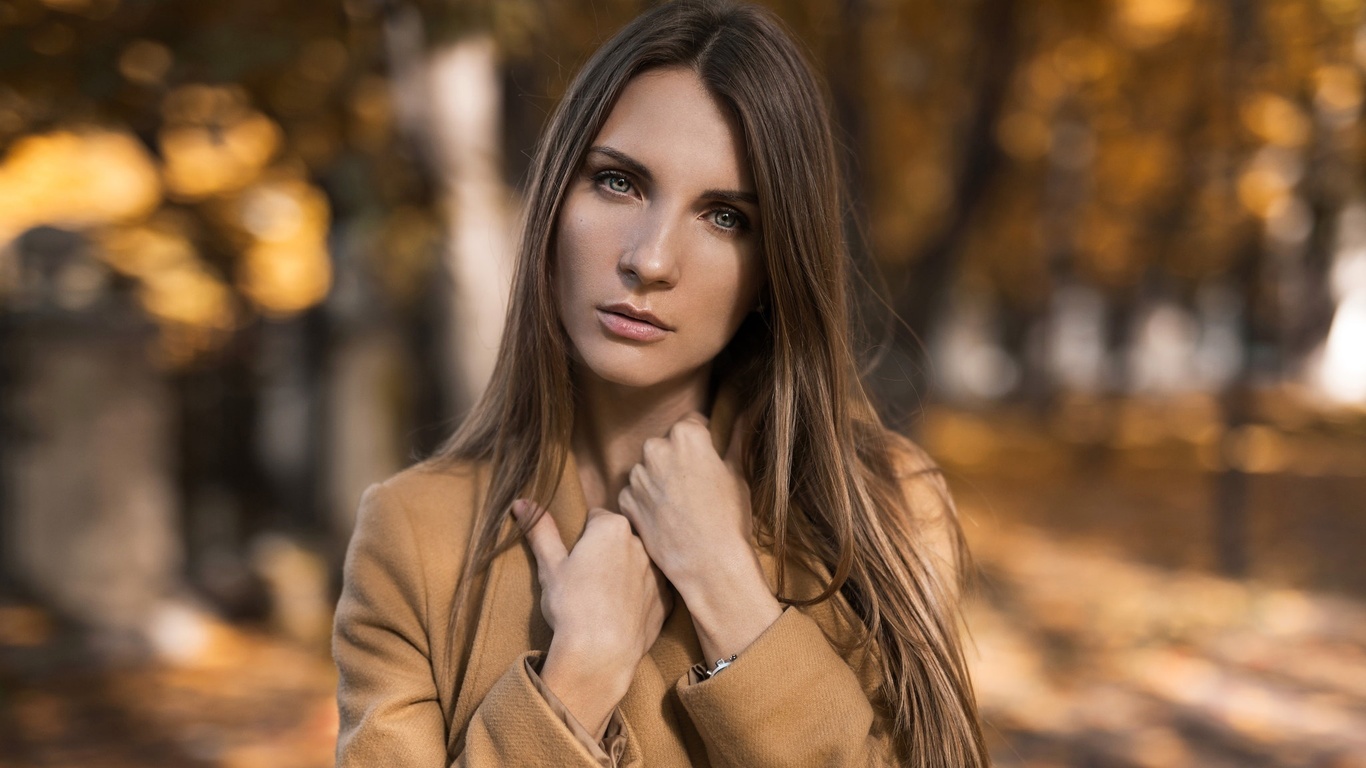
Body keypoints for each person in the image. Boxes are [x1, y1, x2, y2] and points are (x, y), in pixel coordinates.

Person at [332, 1, 988, 766]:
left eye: (724, 218)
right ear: (553, 203)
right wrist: (576, 682)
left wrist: (730, 593)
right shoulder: (414, 537)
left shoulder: (883, 506)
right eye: (618, 182)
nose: (649, 259)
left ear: (775, 269)